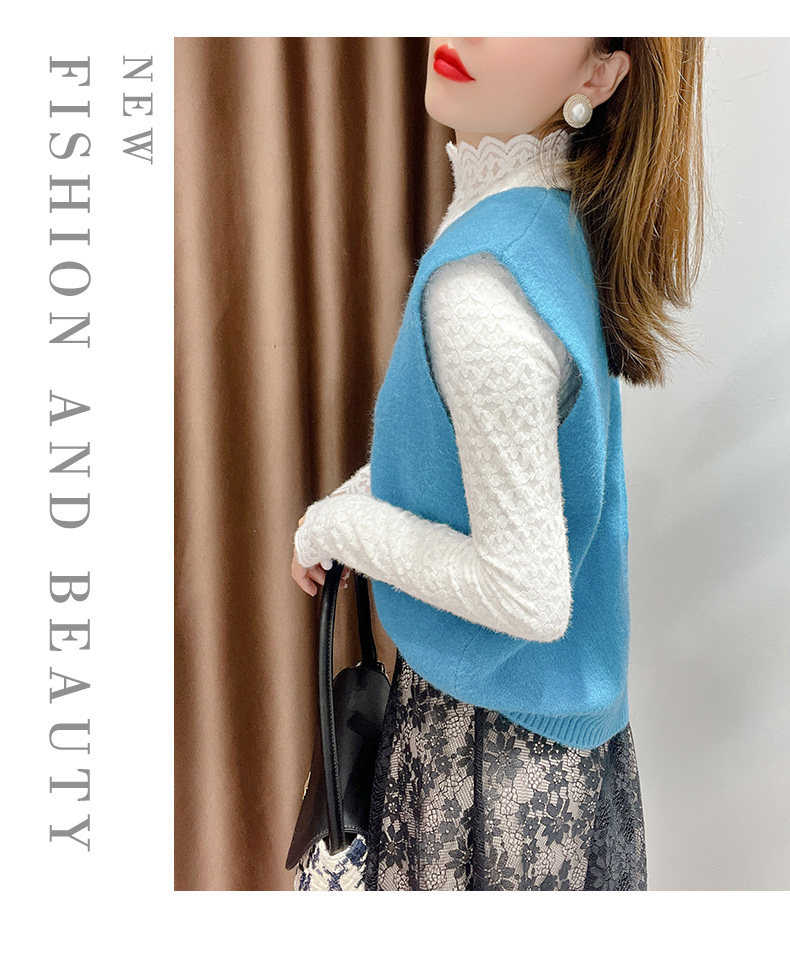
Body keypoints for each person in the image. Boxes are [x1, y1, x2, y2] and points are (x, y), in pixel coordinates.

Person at [292, 37, 705, 890]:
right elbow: (467, 464)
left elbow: (527, 594)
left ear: (599, 74)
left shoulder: (482, 286)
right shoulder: (547, 217)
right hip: (562, 740)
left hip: (488, 761)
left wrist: (342, 525)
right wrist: (357, 504)